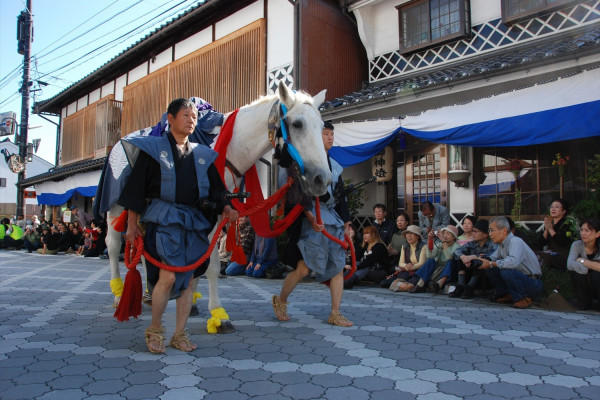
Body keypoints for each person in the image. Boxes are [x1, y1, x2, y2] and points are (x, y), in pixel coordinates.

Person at [118, 98, 238, 353]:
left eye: (194, 116)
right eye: (185, 115)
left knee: (187, 279)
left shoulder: (202, 155)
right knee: (168, 275)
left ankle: (179, 333)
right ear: (170, 119)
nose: (191, 120)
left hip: (193, 221)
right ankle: (155, 329)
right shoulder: (153, 150)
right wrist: (131, 224)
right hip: (163, 218)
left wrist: (226, 206)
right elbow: (136, 188)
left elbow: (218, 189)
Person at [272, 120, 353, 327]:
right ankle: (280, 301)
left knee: (337, 268)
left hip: (331, 219)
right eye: (326, 134)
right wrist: (310, 216)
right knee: (304, 268)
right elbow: (298, 193)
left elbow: (341, 196)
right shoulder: (304, 162)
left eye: (332, 134)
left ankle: (335, 312)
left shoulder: (334, 166)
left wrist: (347, 223)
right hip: (310, 218)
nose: (330, 137)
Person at [479, 216, 543, 309]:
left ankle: (523, 298)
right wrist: (479, 259)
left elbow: (513, 262)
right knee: (492, 268)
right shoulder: (502, 244)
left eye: (492, 230)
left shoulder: (515, 241)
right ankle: (507, 294)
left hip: (533, 283)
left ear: (504, 230)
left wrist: (491, 263)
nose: (490, 234)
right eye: (489, 231)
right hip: (521, 280)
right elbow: (492, 258)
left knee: (506, 271)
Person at [449, 219, 497, 299]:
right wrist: (463, 257)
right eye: (473, 231)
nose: (473, 233)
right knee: (460, 258)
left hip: (486, 274)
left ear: (485, 234)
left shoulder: (492, 244)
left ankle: (469, 288)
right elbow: (456, 251)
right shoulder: (472, 243)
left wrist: (473, 257)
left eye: (476, 231)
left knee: (482, 260)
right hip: (470, 270)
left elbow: (493, 255)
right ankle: (461, 285)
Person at [409, 225, 460, 294]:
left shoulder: (456, 246)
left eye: (448, 234)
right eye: (444, 233)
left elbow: (449, 257)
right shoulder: (440, 244)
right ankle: (420, 284)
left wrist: (443, 242)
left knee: (450, 261)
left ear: (454, 237)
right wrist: (430, 239)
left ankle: (439, 284)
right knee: (431, 260)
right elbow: (430, 255)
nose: (445, 235)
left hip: (450, 272)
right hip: (439, 269)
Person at [567, 218, 600, 310]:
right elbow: (569, 264)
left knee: (596, 275)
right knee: (577, 273)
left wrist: (583, 261)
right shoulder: (577, 245)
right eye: (581, 230)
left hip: (596, 282)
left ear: (597, 234)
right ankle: (583, 304)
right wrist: (590, 267)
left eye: (587, 230)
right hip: (583, 278)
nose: (583, 233)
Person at [382, 225, 427, 290]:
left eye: (411, 233)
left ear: (417, 236)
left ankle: (402, 285)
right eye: (407, 233)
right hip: (406, 271)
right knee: (384, 283)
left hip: (418, 271)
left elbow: (421, 263)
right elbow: (401, 263)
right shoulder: (405, 246)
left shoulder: (423, 246)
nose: (409, 236)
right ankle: (402, 285)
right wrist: (407, 266)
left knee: (412, 282)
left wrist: (411, 266)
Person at [538, 198, 573, 270]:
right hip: (551, 254)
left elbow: (562, 242)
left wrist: (550, 229)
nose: (553, 209)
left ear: (563, 211)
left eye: (557, 207)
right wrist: (547, 229)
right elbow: (541, 243)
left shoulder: (567, 224)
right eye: (552, 207)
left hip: (563, 256)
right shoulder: (550, 223)